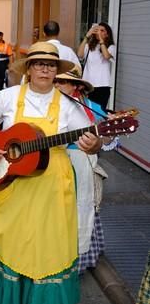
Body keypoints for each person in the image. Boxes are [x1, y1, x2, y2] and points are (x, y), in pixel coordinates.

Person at [0, 42, 102, 304]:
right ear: (28, 69)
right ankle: (7, 302)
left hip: (52, 186)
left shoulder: (68, 105)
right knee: (12, 241)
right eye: (38, 64)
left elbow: (91, 139)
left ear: (57, 72)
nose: (44, 69)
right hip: (14, 185)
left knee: (48, 247)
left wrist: (96, 144)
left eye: (50, 65)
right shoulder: (9, 96)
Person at [53, 66, 110, 274]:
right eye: (55, 81)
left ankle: (77, 260)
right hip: (50, 162)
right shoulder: (45, 103)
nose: (56, 85)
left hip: (79, 163)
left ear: (76, 86)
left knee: (80, 208)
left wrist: (100, 140)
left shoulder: (91, 107)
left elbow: (107, 137)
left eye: (62, 82)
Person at [78, 22, 116, 109]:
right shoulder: (89, 46)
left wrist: (101, 41)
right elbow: (80, 54)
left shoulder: (111, 47)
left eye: (102, 30)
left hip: (102, 86)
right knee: (86, 112)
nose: (99, 32)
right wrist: (87, 36)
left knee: (98, 113)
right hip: (87, 85)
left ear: (107, 34)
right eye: (97, 30)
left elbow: (106, 56)